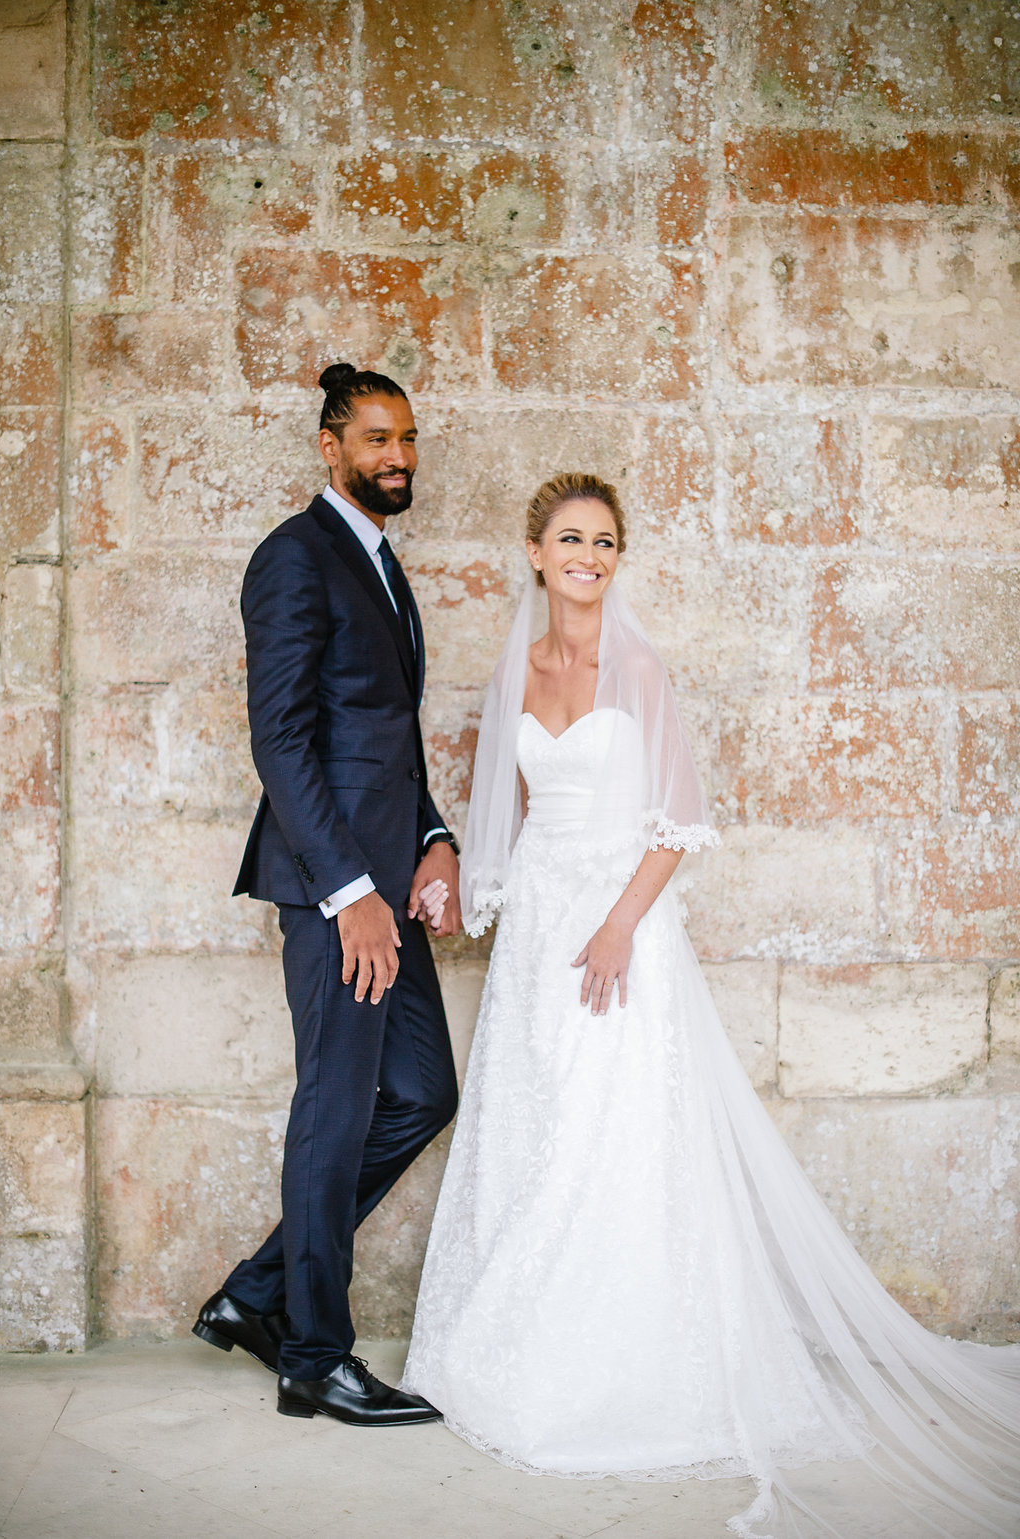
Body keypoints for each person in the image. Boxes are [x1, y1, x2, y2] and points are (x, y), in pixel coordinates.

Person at [402, 473, 1020, 1536]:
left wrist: (615, 926)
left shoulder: (636, 667)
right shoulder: (520, 668)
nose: (588, 556)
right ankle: (523, 1346)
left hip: (618, 927)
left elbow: (677, 819)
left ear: (616, 558)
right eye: (570, 539)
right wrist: (477, 893)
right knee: (537, 1126)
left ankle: (625, 1367)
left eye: (605, 541)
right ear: (536, 553)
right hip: (539, 928)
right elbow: (514, 808)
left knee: (611, 1133)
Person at [193, 362, 461, 1426]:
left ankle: (256, 1295)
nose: (397, 455)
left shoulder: (381, 564)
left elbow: (383, 741)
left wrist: (433, 839)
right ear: (330, 446)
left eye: (407, 437)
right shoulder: (294, 556)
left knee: (423, 1092)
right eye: (376, 438)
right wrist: (351, 892)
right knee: (336, 1111)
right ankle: (313, 1356)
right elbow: (282, 739)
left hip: (389, 884)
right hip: (334, 894)